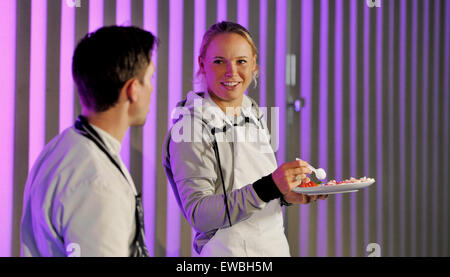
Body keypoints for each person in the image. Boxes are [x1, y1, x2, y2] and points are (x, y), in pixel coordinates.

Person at [163, 21, 327, 257]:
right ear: (202, 64)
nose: (232, 72)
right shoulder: (192, 127)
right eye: (219, 61)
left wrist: (286, 194)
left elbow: (253, 192)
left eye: (241, 61)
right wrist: (270, 186)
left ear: (254, 65)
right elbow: (199, 215)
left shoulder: (253, 113)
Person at [20, 26, 158, 257]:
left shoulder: (62, 148)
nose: (153, 88)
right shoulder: (98, 183)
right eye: (149, 78)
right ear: (133, 89)